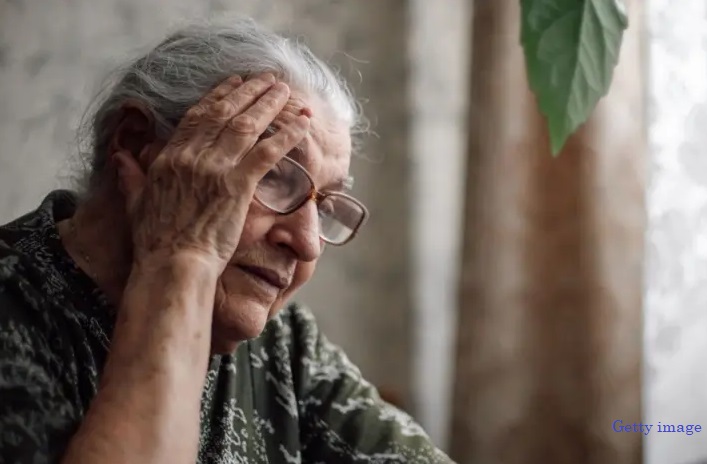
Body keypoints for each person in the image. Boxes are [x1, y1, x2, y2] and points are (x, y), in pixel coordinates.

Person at [0, 17, 453, 464]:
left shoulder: (283, 345)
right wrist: (183, 260)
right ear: (138, 144)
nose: (307, 244)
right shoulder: (15, 307)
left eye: (325, 206)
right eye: (272, 173)